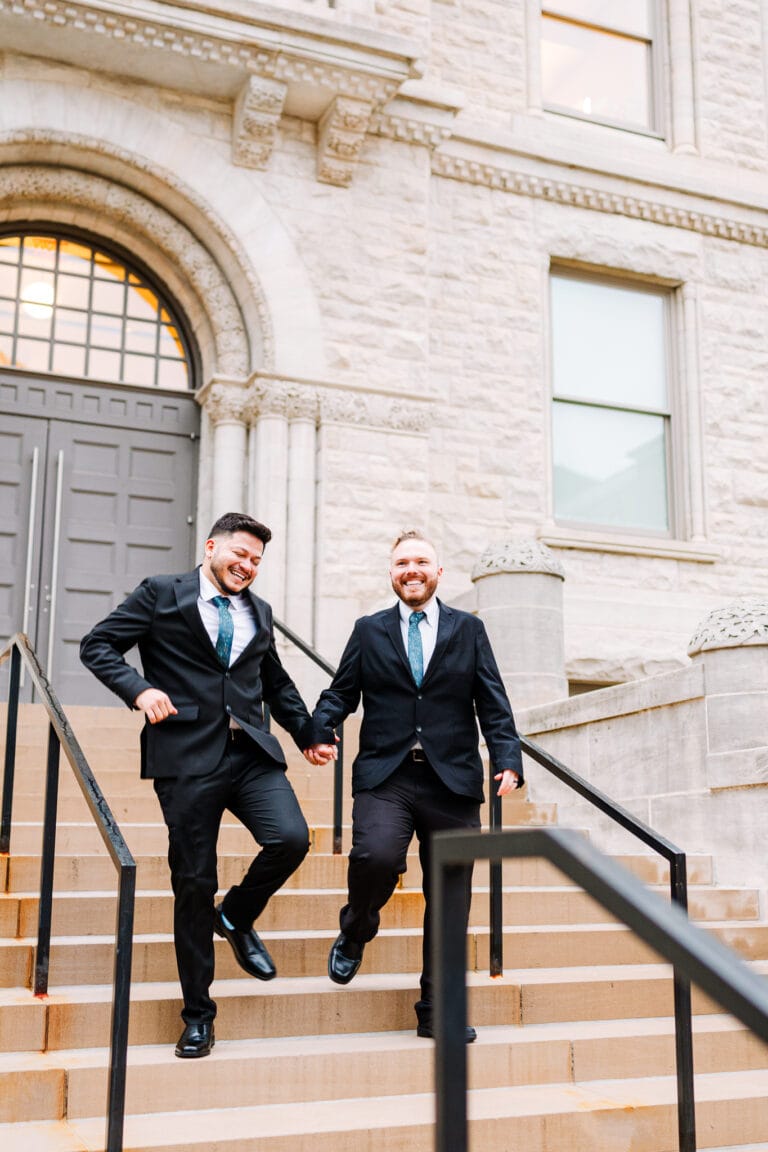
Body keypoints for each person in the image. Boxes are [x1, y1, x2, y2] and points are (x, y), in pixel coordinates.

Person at [80, 512, 334, 1059]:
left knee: (290, 838)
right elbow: (98, 645)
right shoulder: (160, 593)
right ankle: (198, 1014)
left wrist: (308, 732)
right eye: (239, 554)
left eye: (256, 561)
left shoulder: (258, 612)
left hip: (250, 753)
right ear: (212, 546)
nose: (247, 566)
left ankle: (237, 916)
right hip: (186, 756)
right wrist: (139, 691)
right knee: (194, 882)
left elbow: (276, 683)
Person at [307, 530, 523, 1042]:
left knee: (450, 898)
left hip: (453, 781)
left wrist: (508, 757)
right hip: (388, 774)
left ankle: (437, 1011)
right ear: (391, 573)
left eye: (421, 561)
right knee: (375, 857)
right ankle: (357, 927)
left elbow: (493, 701)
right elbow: (341, 693)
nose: (412, 569)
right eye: (402, 562)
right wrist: (321, 726)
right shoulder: (369, 630)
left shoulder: (469, 630)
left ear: (438, 572)